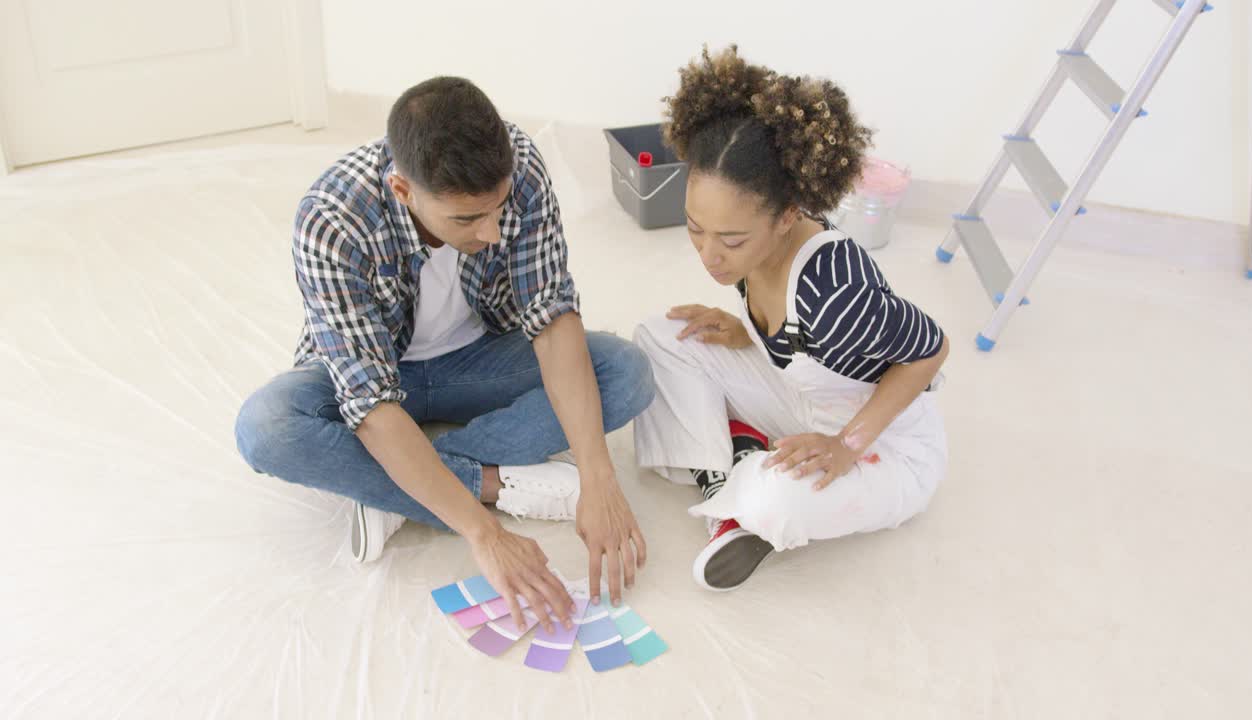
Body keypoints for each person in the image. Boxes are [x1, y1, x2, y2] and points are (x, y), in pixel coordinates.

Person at [235, 77, 655, 630]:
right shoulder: (331, 217)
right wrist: (485, 531)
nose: (492, 230)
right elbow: (371, 404)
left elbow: (551, 317)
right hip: (375, 375)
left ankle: (388, 490)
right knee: (266, 427)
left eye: (498, 208)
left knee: (625, 372)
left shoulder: (519, 164)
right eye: (466, 219)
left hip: (478, 356)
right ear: (404, 190)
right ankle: (491, 482)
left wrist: (600, 479)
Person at [633, 46, 949, 591]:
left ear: (787, 216)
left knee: (773, 501)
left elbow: (932, 351)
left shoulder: (836, 294)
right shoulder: (742, 252)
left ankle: (743, 483)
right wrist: (743, 330)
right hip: (798, 403)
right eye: (694, 228)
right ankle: (724, 476)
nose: (708, 255)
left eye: (731, 239)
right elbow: (780, 331)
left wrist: (847, 446)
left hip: (883, 445)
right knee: (659, 337)